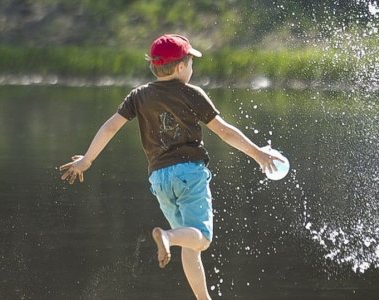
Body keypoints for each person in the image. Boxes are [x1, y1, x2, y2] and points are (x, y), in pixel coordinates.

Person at [59, 34, 283, 300]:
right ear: (179, 67)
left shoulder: (139, 95)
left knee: (189, 244)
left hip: (160, 180)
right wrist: (258, 154)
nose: (192, 68)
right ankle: (166, 236)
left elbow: (110, 127)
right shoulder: (191, 94)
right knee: (201, 237)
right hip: (190, 174)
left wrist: (88, 159)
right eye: (190, 63)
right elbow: (224, 132)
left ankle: (203, 298)